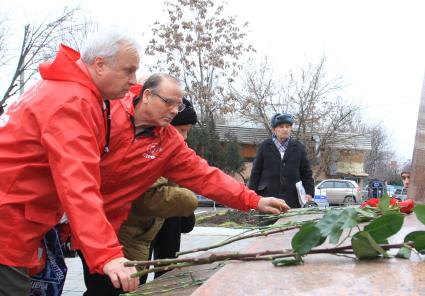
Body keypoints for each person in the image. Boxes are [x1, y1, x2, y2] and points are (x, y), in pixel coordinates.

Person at [79, 73, 290, 295]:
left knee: (106, 289)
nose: (173, 110)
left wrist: (254, 199)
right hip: (68, 214)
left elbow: (207, 177)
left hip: (107, 228)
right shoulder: (107, 111)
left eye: (177, 106)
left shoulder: (168, 143)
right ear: (147, 95)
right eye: (168, 102)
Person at [0, 31, 141, 295]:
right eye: (128, 70)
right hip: (7, 223)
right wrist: (108, 253)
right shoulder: (72, 102)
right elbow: (78, 183)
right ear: (99, 64)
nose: (133, 81)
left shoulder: (70, 91)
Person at [248, 113, 314, 209]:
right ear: (274, 130)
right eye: (281, 127)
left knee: (290, 223)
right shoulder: (264, 146)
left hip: (292, 200)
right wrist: (252, 195)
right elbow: (255, 172)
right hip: (268, 198)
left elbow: (306, 173)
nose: (285, 129)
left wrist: (309, 192)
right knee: (268, 223)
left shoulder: (299, 147)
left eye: (288, 127)